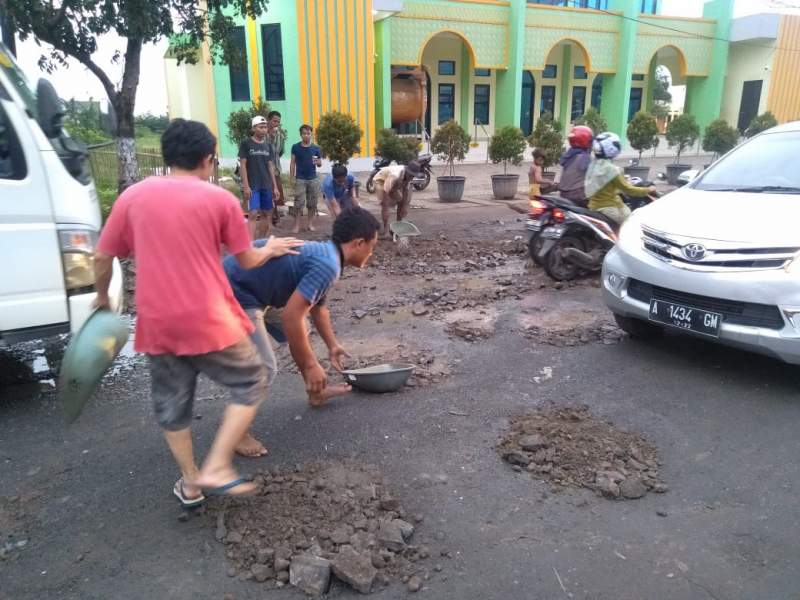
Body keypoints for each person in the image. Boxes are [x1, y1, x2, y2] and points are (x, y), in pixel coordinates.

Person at [93, 118, 303, 504]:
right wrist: (270, 248)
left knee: (174, 404)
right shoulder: (220, 199)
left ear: (168, 156)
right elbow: (247, 260)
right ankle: (218, 464)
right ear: (208, 160)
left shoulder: (133, 197)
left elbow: (102, 256)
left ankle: (191, 481)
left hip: (157, 323)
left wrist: (102, 299)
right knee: (252, 379)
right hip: (210, 319)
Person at [224, 207, 381, 455]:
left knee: (301, 329)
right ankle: (236, 434)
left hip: (254, 289)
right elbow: (290, 316)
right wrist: (310, 365)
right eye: (372, 246)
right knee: (264, 367)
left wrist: (332, 345)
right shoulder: (328, 265)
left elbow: (317, 309)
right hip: (236, 290)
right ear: (358, 243)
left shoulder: (330, 257)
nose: (372, 253)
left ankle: (315, 393)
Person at [585, 132, 656, 224]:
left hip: (593, 206)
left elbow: (602, 187)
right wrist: (648, 190)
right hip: (609, 208)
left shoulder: (592, 165)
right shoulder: (613, 170)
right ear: (611, 148)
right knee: (633, 221)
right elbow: (629, 190)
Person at [239, 115, 281, 239]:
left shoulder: (268, 146)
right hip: (253, 185)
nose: (264, 129)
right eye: (261, 127)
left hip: (266, 185)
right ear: (253, 128)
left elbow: (270, 167)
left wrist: (275, 187)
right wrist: (246, 186)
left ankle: (261, 240)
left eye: (265, 127)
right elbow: (243, 165)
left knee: (266, 213)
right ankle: (250, 244)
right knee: (252, 213)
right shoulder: (246, 143)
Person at [373, 160, 421, 238]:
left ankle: (398, 227)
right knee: (385, 204)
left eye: (413, 175)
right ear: (407, 170)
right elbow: (386, 189)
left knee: (401, 200)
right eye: (411, 175)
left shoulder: (408, 177)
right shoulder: (395, 175)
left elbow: (405, 191)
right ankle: (385, 231)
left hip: (392, 185)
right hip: (380, 181)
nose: (411, 177)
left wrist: (404, 207)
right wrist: (385, 204)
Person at [290, 124, 323, 233]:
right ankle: (296, 225)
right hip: (300, 179)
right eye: (304, 133)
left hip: (313, 178)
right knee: (298, 203)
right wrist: (291, 177)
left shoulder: (316, 148)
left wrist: (318, 162)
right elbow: (292, 162)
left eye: (308, 133)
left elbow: (319, 164)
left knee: (312, 203)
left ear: (311, 134)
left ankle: (310, 224)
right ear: (300, 135)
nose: (306, 135)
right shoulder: (295, 147)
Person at [558, 125, 594, 207]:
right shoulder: (585, 157)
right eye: (590, 141)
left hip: (563, 194)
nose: (591, 144)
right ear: (585, 141)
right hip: (578, 196)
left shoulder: (568, 155)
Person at [266, 111, 286, 225]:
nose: (276, 124)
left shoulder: (281, 136)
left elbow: (281, 152)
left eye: (278, 122)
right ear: (268, 120)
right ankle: (269, 217)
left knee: (276, 192)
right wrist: (271, 138)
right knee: (267, 192)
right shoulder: (263, 135)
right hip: (264, 169)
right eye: (274, 121)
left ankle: (275, 216)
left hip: (276, 169)